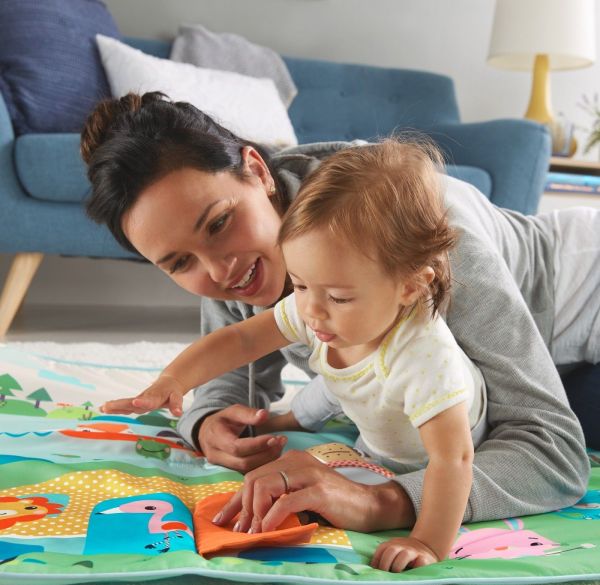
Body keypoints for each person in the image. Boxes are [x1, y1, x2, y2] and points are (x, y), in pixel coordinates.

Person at [81, 91, 591, 557]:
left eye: (218, 224)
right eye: (180, 263)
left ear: (257, 171)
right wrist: (207, 423)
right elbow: (230, 366)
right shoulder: (242, 263)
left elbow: (555, 454)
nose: (218, 271)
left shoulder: (415, 238)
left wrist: (378, 502)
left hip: (580, 299)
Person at [97, 140, 488, 570]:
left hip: (428, 447)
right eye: (299, 285)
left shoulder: (426, 361)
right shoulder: (318, 304)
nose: (311, 311)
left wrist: (427, 543)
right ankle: (289, 420)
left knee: (338, 398)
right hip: (371, 410)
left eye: (338, 297)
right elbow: (241, 340)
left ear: (410, 287)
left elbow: (454, 460)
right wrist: (174, 380)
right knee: (326, 392)